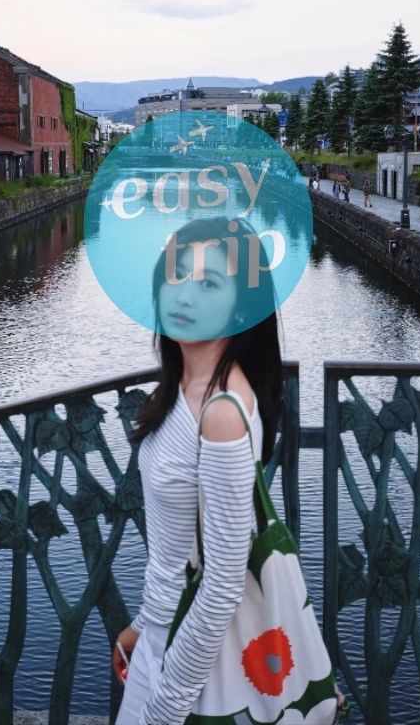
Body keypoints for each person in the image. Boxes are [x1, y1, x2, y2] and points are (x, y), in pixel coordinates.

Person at [112, 217, 282, 725]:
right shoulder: (183, 388)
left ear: (242, 307)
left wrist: (163, 709)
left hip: (191, 664)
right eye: (177, 274)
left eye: (208, 284)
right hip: (162, 634)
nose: (183, 294)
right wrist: (144, 624)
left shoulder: (222, 412)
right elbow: (179, 550)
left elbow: (224, 586)